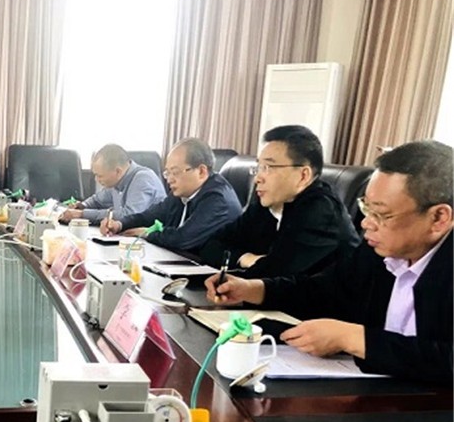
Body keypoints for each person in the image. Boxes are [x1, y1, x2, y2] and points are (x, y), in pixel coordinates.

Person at [205, 140, 452, 385]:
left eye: (382, 214)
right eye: (366, 208)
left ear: (439, 218)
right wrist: (255, 289)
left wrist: (354, 338)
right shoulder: (380, 251)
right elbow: (326, 290)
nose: (366, 223)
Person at [200, 125, 359, 278]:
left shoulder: (320, 211)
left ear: (303, 175)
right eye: (259, 167)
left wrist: (258, 264)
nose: (257, 178)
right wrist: (246, 258)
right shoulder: (267, 203)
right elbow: (210, 245)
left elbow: (274, 274)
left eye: (268, 167)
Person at [99, 137, 241, 254]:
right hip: (180, 262)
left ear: (201, 172)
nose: (169, 179)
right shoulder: (182, 192)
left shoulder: (217, 199)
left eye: (175, 172)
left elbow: (183, 238)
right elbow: (150, 215)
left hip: (210, 272)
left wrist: (148, 233)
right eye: (167, 173)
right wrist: (120, 224)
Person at [59, 144, 165, 224]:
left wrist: (82, 214)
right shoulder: (117, 182)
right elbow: (97, 200)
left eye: (100, 176)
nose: (96, 180)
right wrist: (82, 206)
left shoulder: (143, 179)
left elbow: (129, 215)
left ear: (117, 171)